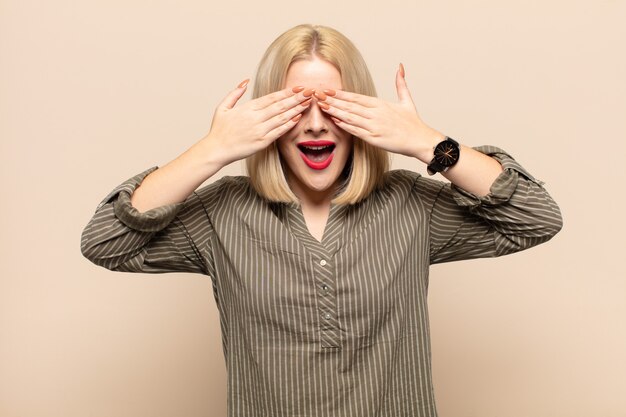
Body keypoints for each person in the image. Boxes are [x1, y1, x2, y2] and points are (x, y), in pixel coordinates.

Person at [80, 23, 562, 417]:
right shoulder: (221, 213)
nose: (314, 123)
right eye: (295, 104)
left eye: (332, 103)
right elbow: (105, 242)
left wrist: (425, 142)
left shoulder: (412, 203)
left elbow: (537, 218)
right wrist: (214, 150)